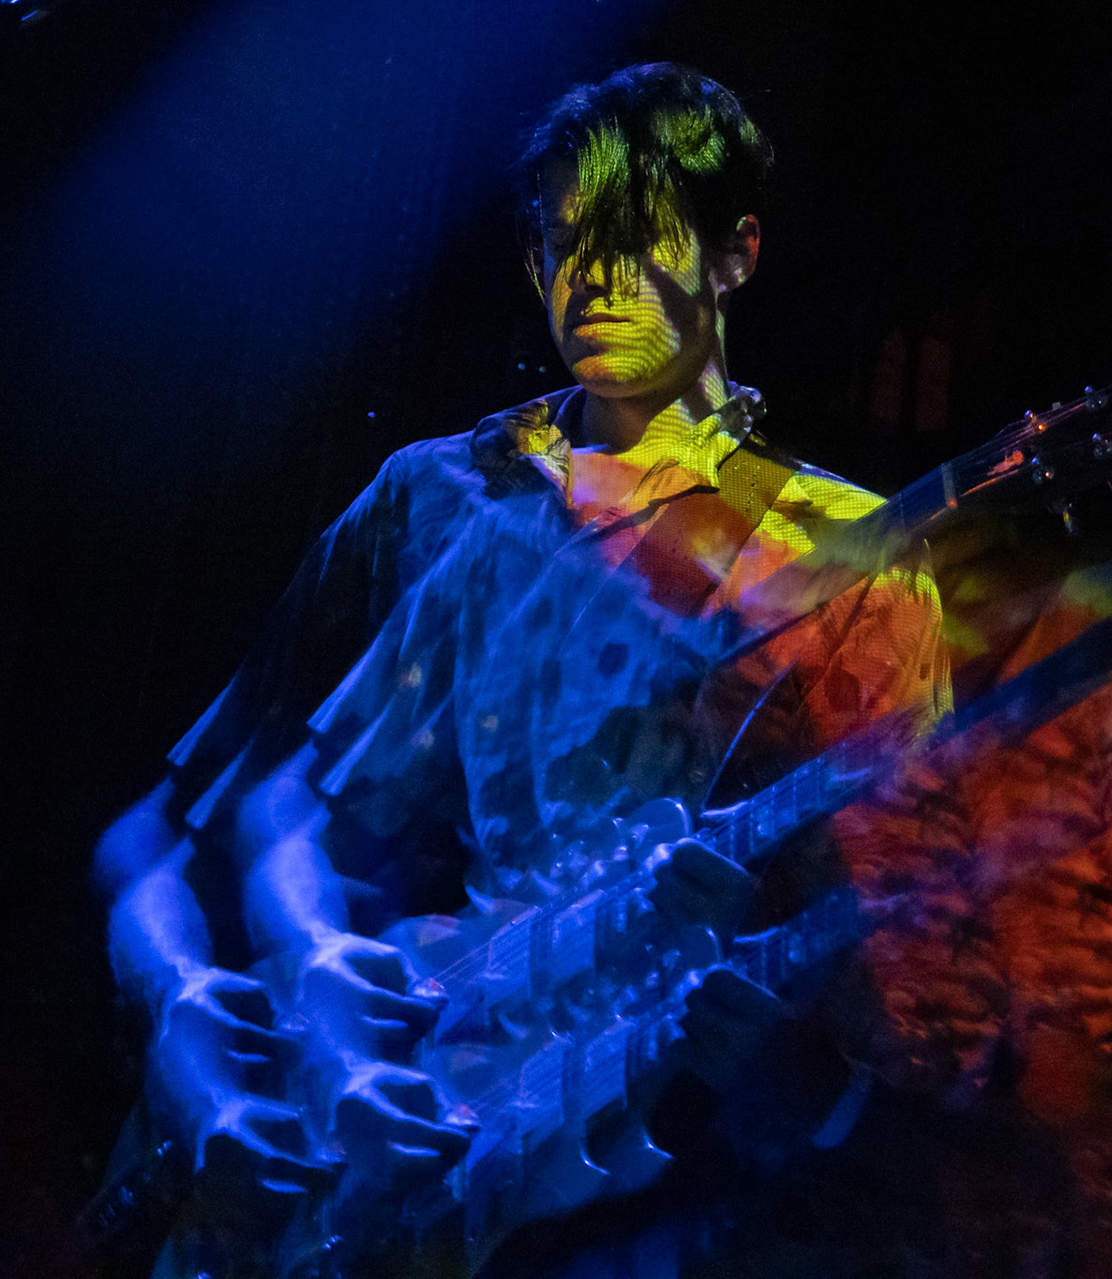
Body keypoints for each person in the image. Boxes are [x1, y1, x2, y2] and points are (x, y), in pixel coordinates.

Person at [93, 62, 960, 1278]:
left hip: (646, 1188)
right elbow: (176, 824)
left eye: (637, 234)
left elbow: (889, 971)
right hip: (375, 1151)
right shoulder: (436, 496)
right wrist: (200, 1042)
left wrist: (809, 1080)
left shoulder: (856, 559)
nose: (590, 274)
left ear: (735, 254)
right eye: (560, 238)